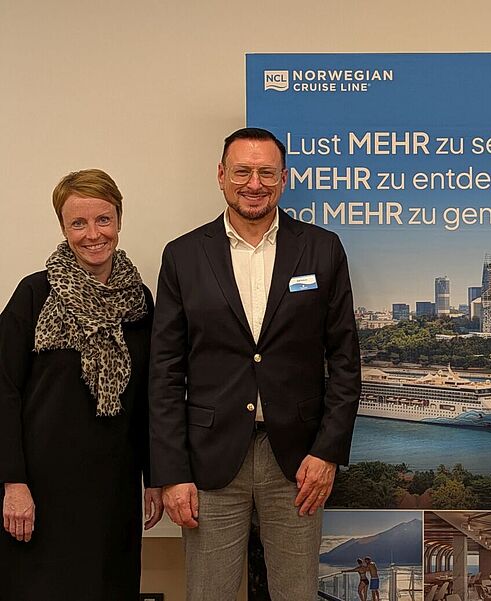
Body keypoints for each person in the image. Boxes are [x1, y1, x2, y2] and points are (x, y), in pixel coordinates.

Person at [149, 127, 361, 601]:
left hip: (299, 462)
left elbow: (345, 361)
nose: (254, 183)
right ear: (221, 176)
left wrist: (327, 453)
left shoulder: (322, 249)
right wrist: (171, 472)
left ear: (284, 178)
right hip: (208, 460)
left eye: (266, 172)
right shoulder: (183, 255)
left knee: (296, 594)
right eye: (242, 171)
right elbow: (164, 371)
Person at [0, 169, 163, 600]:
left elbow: (149, 394)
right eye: (79, 223)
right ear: (63, 228)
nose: (93, 234)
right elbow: (3, 390)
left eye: (103, 220)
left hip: (113, 490)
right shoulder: (35, 294)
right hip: (41, 491)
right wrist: (13, 483)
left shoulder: (140, 301)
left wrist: (155, 477)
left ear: (119, 220)